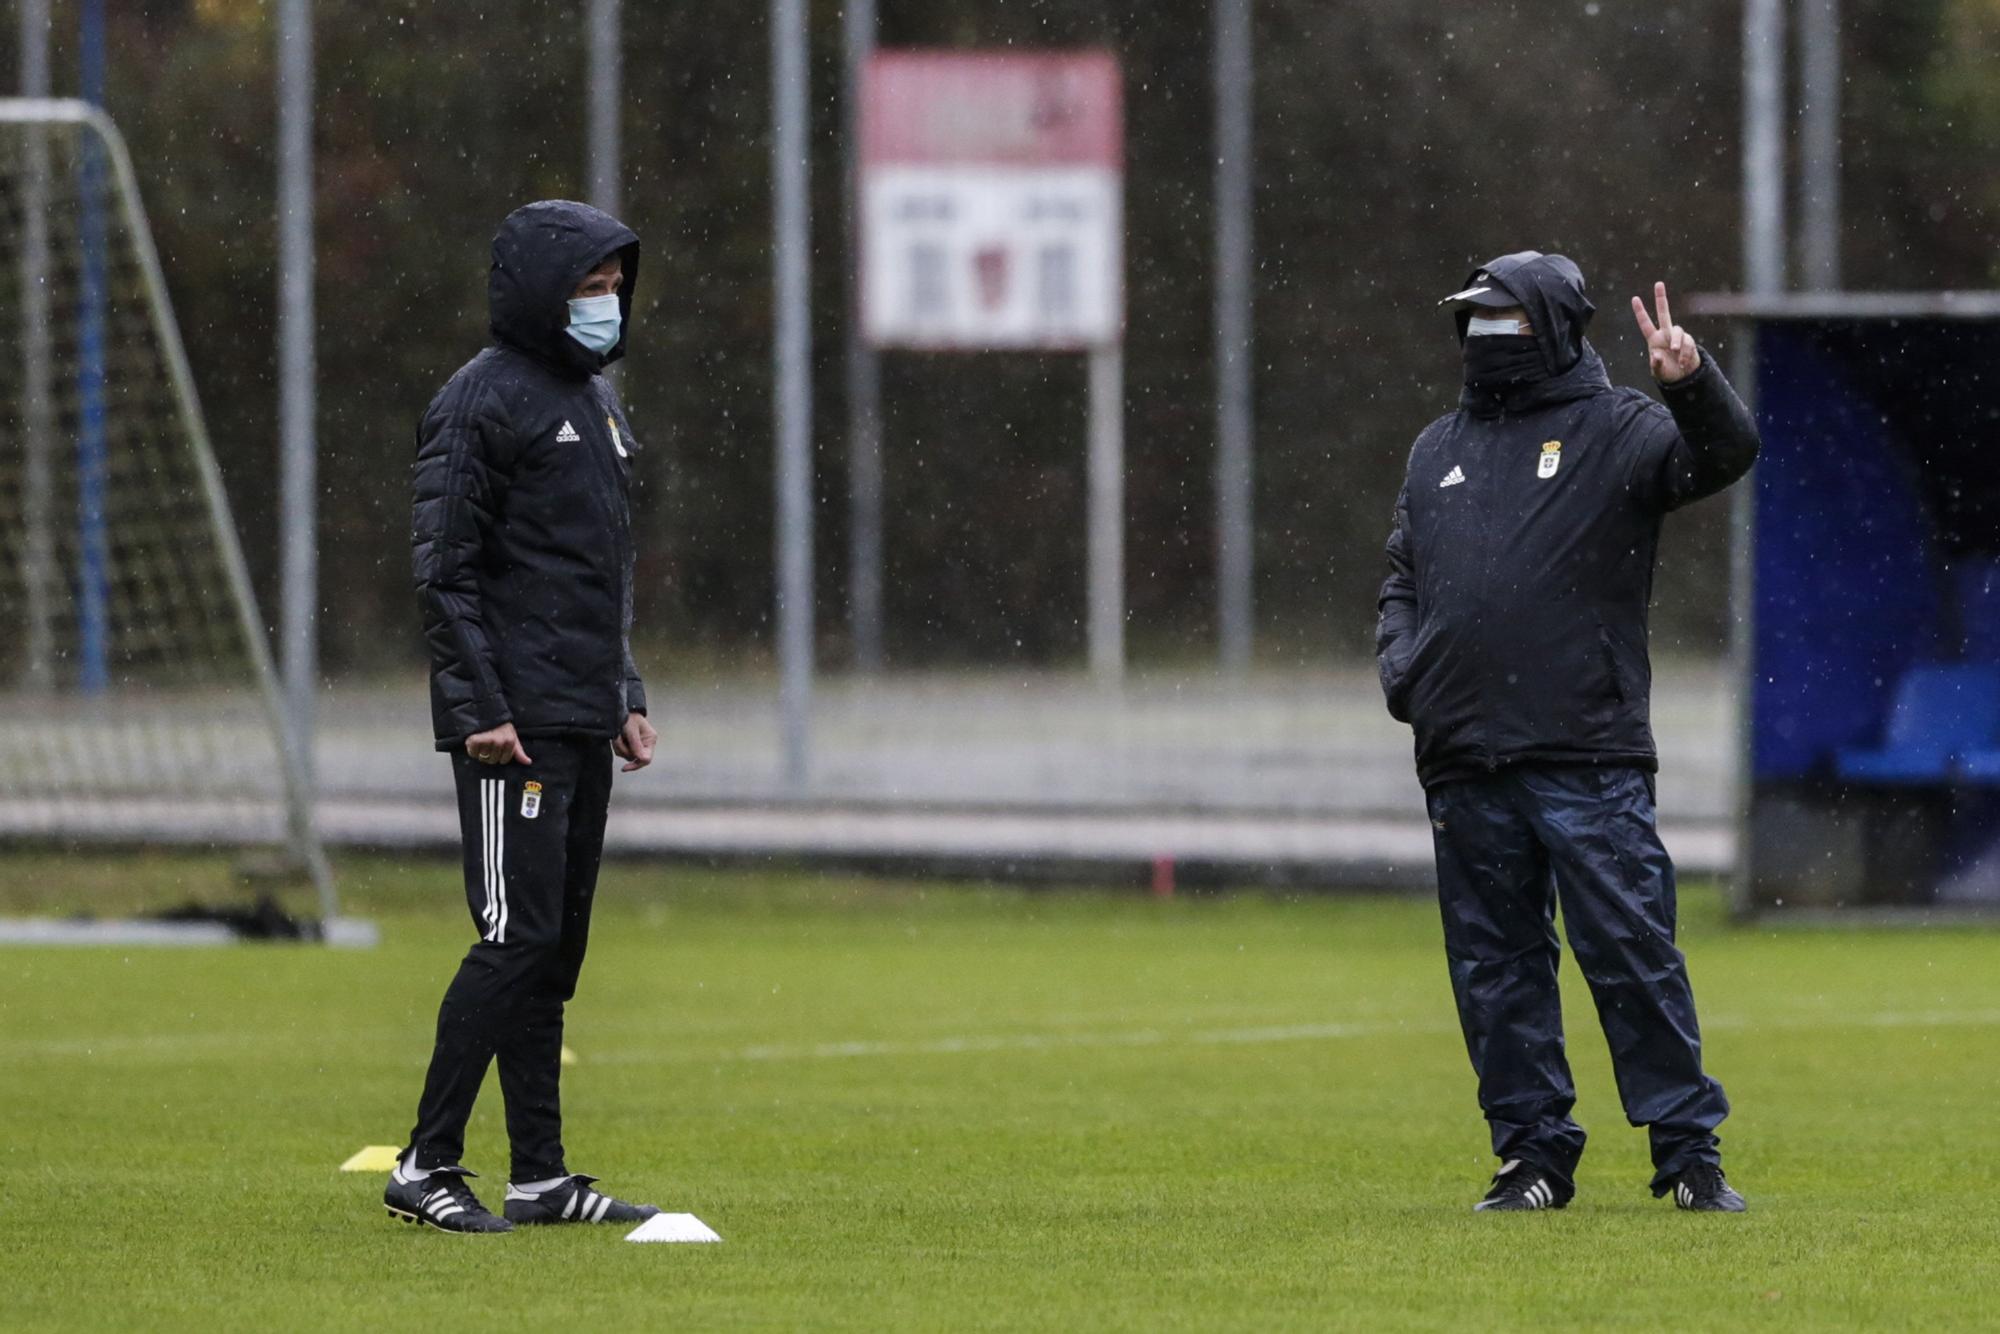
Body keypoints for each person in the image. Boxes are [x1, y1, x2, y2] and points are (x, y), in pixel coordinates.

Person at [1375, 251, 1759, 1213]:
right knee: (1496, 973)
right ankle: (1532, 1158)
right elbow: (1401, 578)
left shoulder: (1621, 428)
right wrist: (1406, 674)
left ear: (1548, 325)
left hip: (1585, 753)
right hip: (1464, 756)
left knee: (1632, 953)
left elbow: (1723, 456)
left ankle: (1687, 1155)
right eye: (1472, 318)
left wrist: (1690, 383)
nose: (1482, 335)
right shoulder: (1436, 449)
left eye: (1500, 318)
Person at [385, 200, 662, 1233]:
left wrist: (622, 692)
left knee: (551, 950)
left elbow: (593, 576)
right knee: (513, 935)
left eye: (612, 286)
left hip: (578, 713)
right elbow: (444, 572)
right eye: (587, 286)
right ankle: (424, 1161)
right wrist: (480, 708)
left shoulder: (598, 403)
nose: (604, 304)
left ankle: (540, 1175)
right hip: (514, 724)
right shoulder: (476, 402)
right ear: (540, 292)